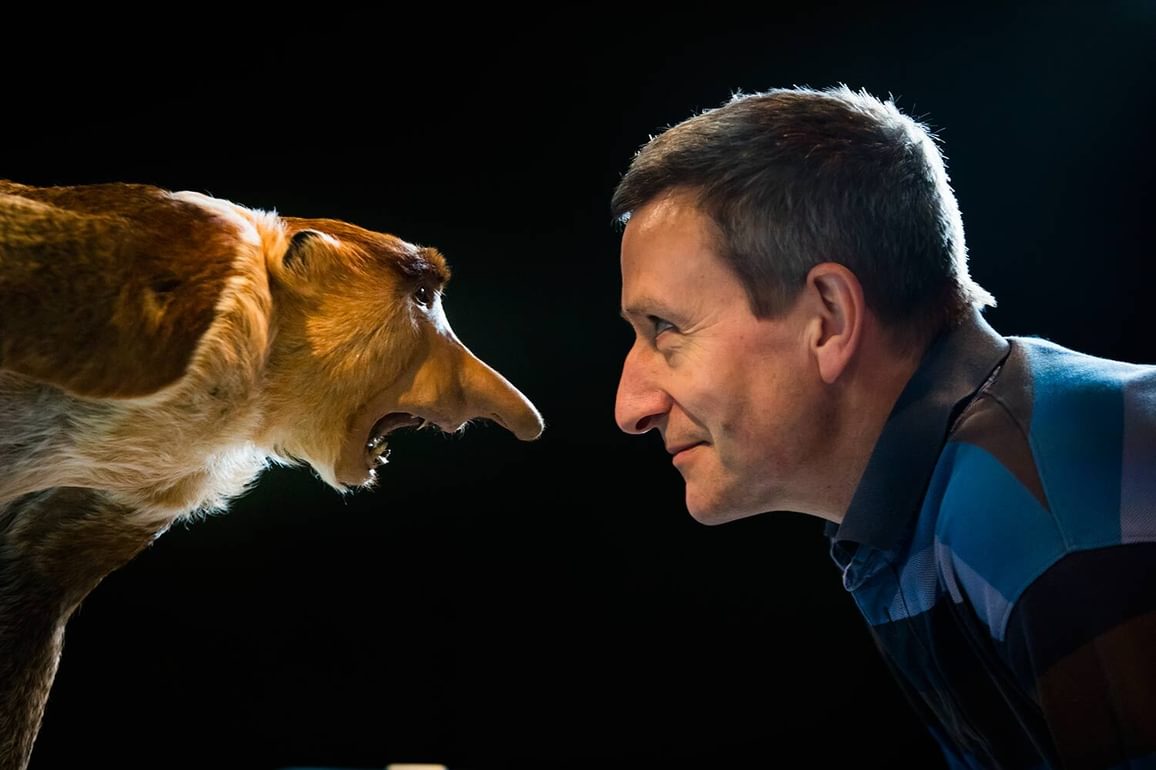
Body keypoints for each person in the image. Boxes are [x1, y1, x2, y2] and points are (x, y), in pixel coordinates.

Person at [610, 84, 1156, 770]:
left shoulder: (1049, 524)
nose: (630, 407)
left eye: (665, 328)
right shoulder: (935, 502)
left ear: (830, 319)